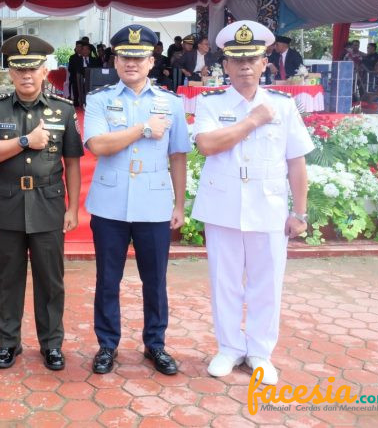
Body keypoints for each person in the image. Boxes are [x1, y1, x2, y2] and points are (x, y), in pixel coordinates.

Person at [192, 21, 313, 386]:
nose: (245, 66)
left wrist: (300, 213)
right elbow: (207, 145)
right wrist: (252, 121)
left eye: (252, 59)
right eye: (237, 60)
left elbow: (296, 162)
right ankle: (229, 348)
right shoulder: (210, 103)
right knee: (224, 281)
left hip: (269, 207)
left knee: (267, 283)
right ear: (226, 65)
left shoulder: (283, 106)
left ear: (264, 63)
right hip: (223, 206)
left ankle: (260, 352)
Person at [82, 24, 190, 376]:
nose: (131, 63)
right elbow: (98, 145)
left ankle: (155, 344)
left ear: (151, 61)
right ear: (115, 61)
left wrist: (178, 205)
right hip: (110, 203)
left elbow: (178, 155)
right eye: (125, 57)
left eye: (139, 57)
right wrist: (143, 129)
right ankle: (107, 345)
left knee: (155, 281)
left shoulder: (171, 103)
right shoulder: (99, 100)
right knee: (107, 279)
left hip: (154, 204)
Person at [0, 35, 83, 371]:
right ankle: (8, 343)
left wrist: (73, 207)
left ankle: (51, 344)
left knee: (50, 280)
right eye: (19, 69)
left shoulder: (63, 110)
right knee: (8, 279)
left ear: (45, 71)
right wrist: (25, 141)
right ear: (10, 72)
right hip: (8, 203)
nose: (26, 75)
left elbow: (72, 162)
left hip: (48, 203)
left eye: (32, 68)